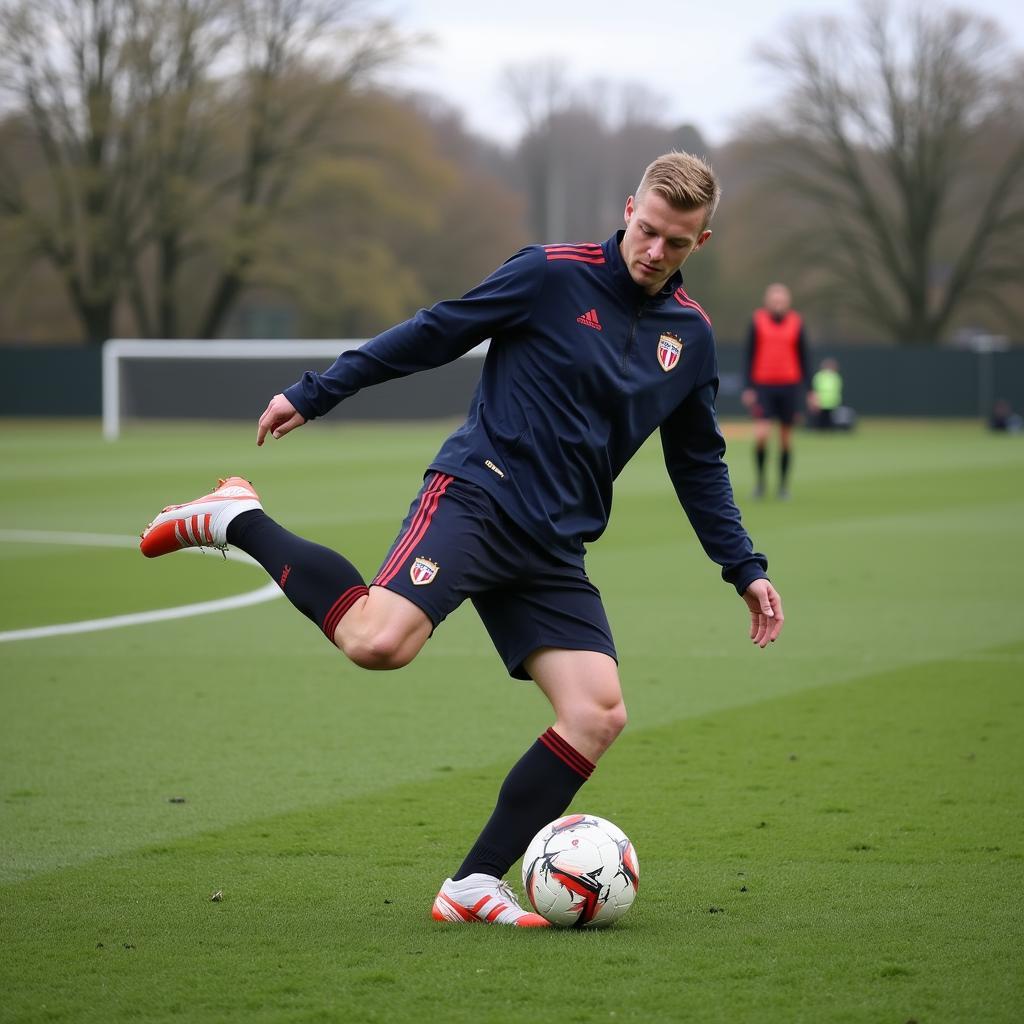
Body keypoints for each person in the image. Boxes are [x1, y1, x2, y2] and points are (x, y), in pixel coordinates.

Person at [140, 151, 784, 928]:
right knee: (379, 644)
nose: (653, 251)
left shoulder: (691, 337)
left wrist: (741, 565)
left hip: (554, 544)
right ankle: (236, 517)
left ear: (700, 244)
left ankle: (473, 882)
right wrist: (317, 392)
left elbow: (698, 462)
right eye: (646, 230)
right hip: (478, 495)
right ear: (628, 208)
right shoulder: (549, 274)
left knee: (597, 715)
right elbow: (435, 332)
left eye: (675, 243)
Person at [741, 283, 810, 498]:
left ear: (788, 302)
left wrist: (810, 390)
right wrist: (749, 387)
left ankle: (782, 486)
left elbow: (804, 357)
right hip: (763, 385)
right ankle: (760, 484)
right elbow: (749, 355)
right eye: (774, 299)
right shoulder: (757, 321)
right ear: (767, 301)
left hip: (789, 385)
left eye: (781, 299)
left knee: (786, 438)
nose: (778, 303)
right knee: (761, 434)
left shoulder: (796, 323)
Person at [809, 357, 843, 430]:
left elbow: (837, 389)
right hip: (821, 402)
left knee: (830, 419)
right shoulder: (819, 376)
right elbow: (814, 389)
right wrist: (815, 401)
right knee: (820, 419)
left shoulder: (836, 376)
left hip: (832, 402)